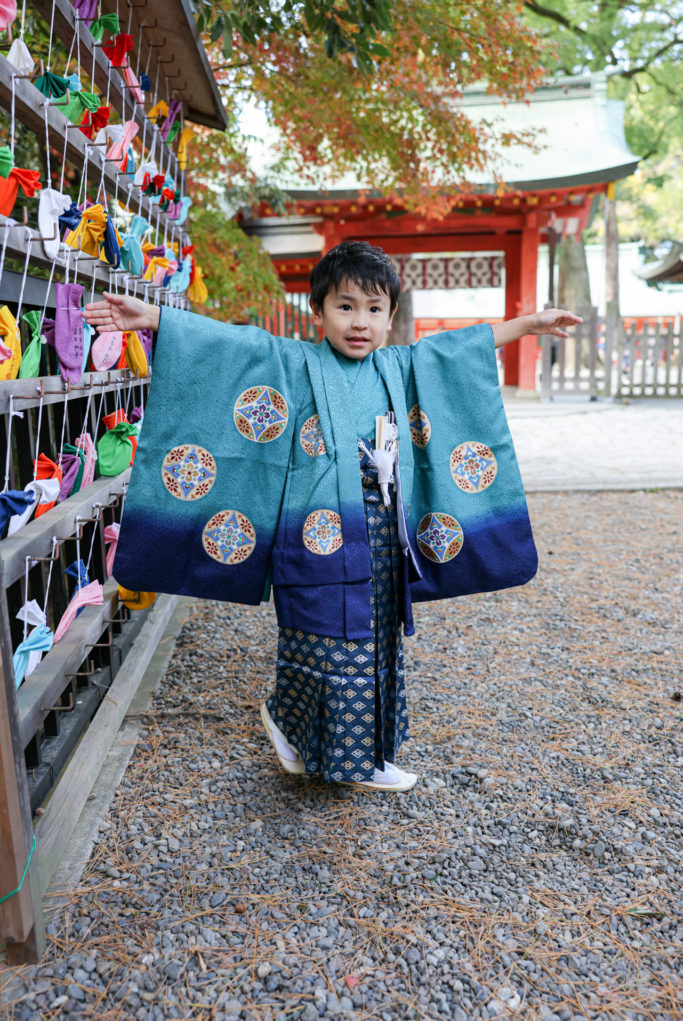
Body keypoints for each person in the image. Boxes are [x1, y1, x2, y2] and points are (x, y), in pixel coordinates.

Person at [84, 241, 580, 792]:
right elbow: (231, 345)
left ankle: (347, 746)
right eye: (345, 307)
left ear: (391, 316)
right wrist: (154, 318)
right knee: (320, 637)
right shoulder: (293, 361)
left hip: (381, 533)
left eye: (374, 309)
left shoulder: (400, 366)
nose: (359, 322)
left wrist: (529, 324)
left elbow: (458, 349)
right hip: (313, 530)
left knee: (374, 640)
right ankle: (318, 738)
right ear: (317, 311)